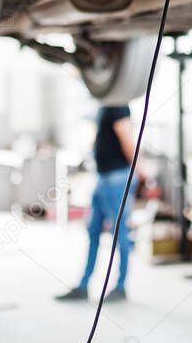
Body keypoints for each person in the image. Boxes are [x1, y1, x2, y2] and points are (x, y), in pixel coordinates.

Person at [56, 105, 150, 303]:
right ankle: (83, 286)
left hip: (116, 180)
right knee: (93, 231)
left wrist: (141, 172)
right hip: (102, 178)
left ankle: (121, 286)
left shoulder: (118, 105)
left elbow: (127, 140)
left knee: (120, 233)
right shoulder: (104, 106)